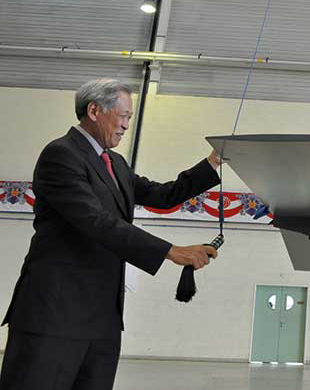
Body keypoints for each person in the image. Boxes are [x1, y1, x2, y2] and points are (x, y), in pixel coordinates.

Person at [0, 78, 224, 390]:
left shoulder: (115, 163)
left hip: (102, 321)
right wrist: (171, 251)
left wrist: (214, 161)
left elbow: (163, 195)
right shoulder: (61, 155)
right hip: (55, 316)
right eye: (123, 116)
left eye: (130, 118)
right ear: (94, 111)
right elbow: (96, 221)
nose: (126, 125)